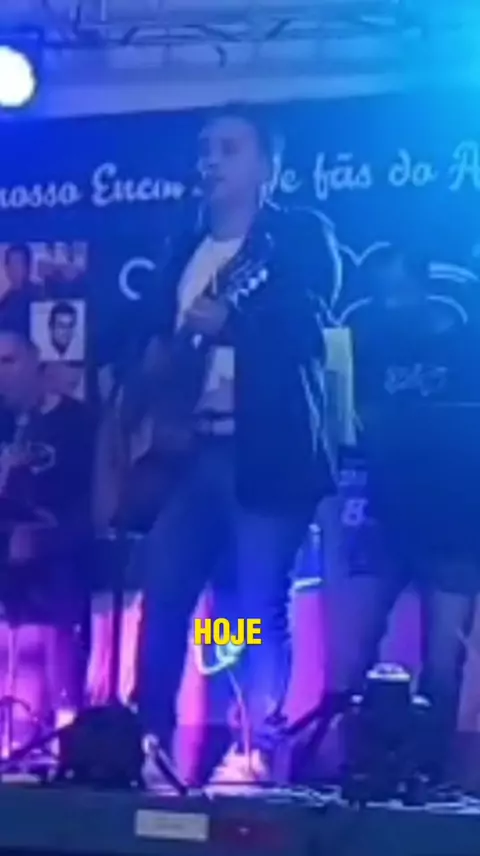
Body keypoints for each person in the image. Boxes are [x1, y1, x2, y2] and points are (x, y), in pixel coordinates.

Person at [123, 104, 340, 784]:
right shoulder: (183, 248)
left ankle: (255, 748)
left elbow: (309, 326)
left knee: (256, 605)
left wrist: (234, 323)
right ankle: (148, 743)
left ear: (266, 167)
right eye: (205, 148)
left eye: (229, 148)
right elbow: (153, 341)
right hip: (188, 457)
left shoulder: (298, 236)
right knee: (165, 593)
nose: (211, 160)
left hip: (264, 453)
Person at [321, 246, 480, 786]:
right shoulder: (366, 341)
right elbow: (346, 423)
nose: (389, 304)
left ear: (423, 284)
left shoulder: (468, 342)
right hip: (382, 513)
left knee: (443, 659)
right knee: (355, 648)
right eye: (380, 294)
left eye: (397, 291)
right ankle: (353, 762)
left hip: (457, 519)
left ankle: (429, 771)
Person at [0, 329, 95, 740]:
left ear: (36, 363)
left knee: (60, 591)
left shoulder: (76, 422)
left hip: (61, 538)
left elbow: (93, 502)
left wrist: (42, 535)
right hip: (9, 534)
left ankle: (64, 723)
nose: (1, 374)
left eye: (8, 362)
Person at [0, 244, 36, 335]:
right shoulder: (5, 299)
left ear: (27, 267)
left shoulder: (37, 295)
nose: (14, 268)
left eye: (18, 263)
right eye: (10, 263)